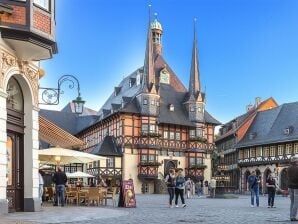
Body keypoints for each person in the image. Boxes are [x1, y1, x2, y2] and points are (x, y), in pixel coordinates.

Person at [288, 155, 298, 221]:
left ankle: (291, 215)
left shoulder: (289, 168)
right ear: (296, 161)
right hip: (296, 187)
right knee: (296, 202)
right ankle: (293, 216)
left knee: (292, 202)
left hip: (290, 187)